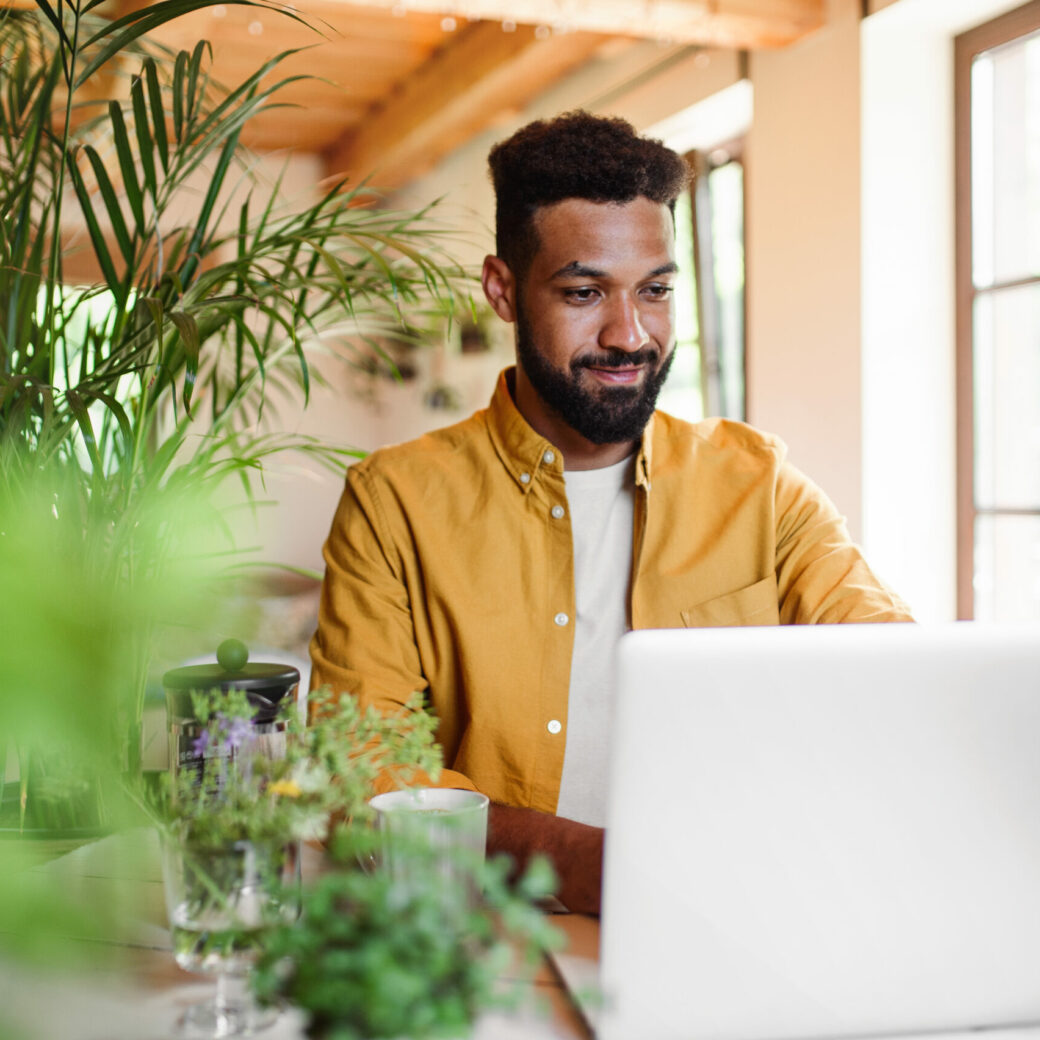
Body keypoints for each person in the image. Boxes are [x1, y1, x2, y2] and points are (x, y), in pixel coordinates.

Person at [309, 111, 912, 915]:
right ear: (502, 290)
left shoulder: (760, 486)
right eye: (585, 292)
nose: (630, 335)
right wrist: (590, 865)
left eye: (656, 290)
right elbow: (361, 769)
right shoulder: (394, 503)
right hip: (491, 938)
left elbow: (894, 680)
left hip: (728, 918)